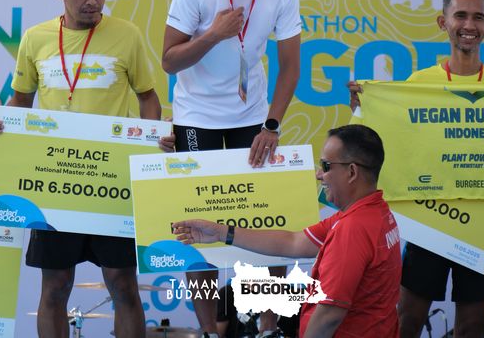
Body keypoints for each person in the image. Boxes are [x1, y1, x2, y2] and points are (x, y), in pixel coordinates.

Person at [0, 0, 165, 338]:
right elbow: (20, 101)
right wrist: (5, 126)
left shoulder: (127, 35)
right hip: (55, 184)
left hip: (112, 185)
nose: (93, 1)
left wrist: (150, 146)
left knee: (123, 284)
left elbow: (148, 98)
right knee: (55, 287)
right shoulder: (35, 39)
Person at [162, 0, 301, 338]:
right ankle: (209, 330)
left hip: (251, 115)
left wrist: (271, 125)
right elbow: (169, 61)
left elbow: (290, 67)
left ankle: (267, 324)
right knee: (196, 221)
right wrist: (213, 35)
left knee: (264, 219)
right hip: (196, 116)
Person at [349, 0, 484, 338]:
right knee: (408, 319)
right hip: (432, 218)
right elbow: (387, 141)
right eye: (460, 16)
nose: (469, 25)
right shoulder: (417, 84)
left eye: (478, 17)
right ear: (443, 22)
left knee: (473, 326)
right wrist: (364, 109)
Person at [172, 124, 402, 338]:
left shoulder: (353, 228)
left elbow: (329, 314)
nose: (319, 174)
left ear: (352, 172)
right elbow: (292, 242)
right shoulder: (376, 212)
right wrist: (221, 233)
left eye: (325, 166)